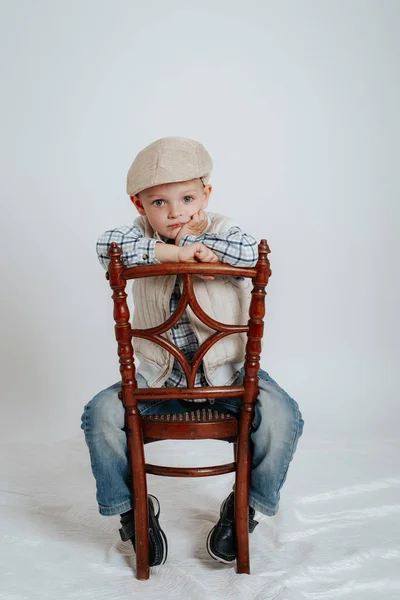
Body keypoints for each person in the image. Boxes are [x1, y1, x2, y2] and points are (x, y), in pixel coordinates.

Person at [81, 137, 304, 567]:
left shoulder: (223, 228)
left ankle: (244, 509)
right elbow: (105, 248)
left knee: (283, 416)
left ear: (206, 194)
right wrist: (178, 251)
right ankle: (133, 511)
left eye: (186, 197)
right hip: (159, 376)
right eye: (159, 202)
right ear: (138, 205)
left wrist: (200, 242)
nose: (175, 211)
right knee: (100, 414)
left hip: (228, 373)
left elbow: (250, 253)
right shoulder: (133, 236)